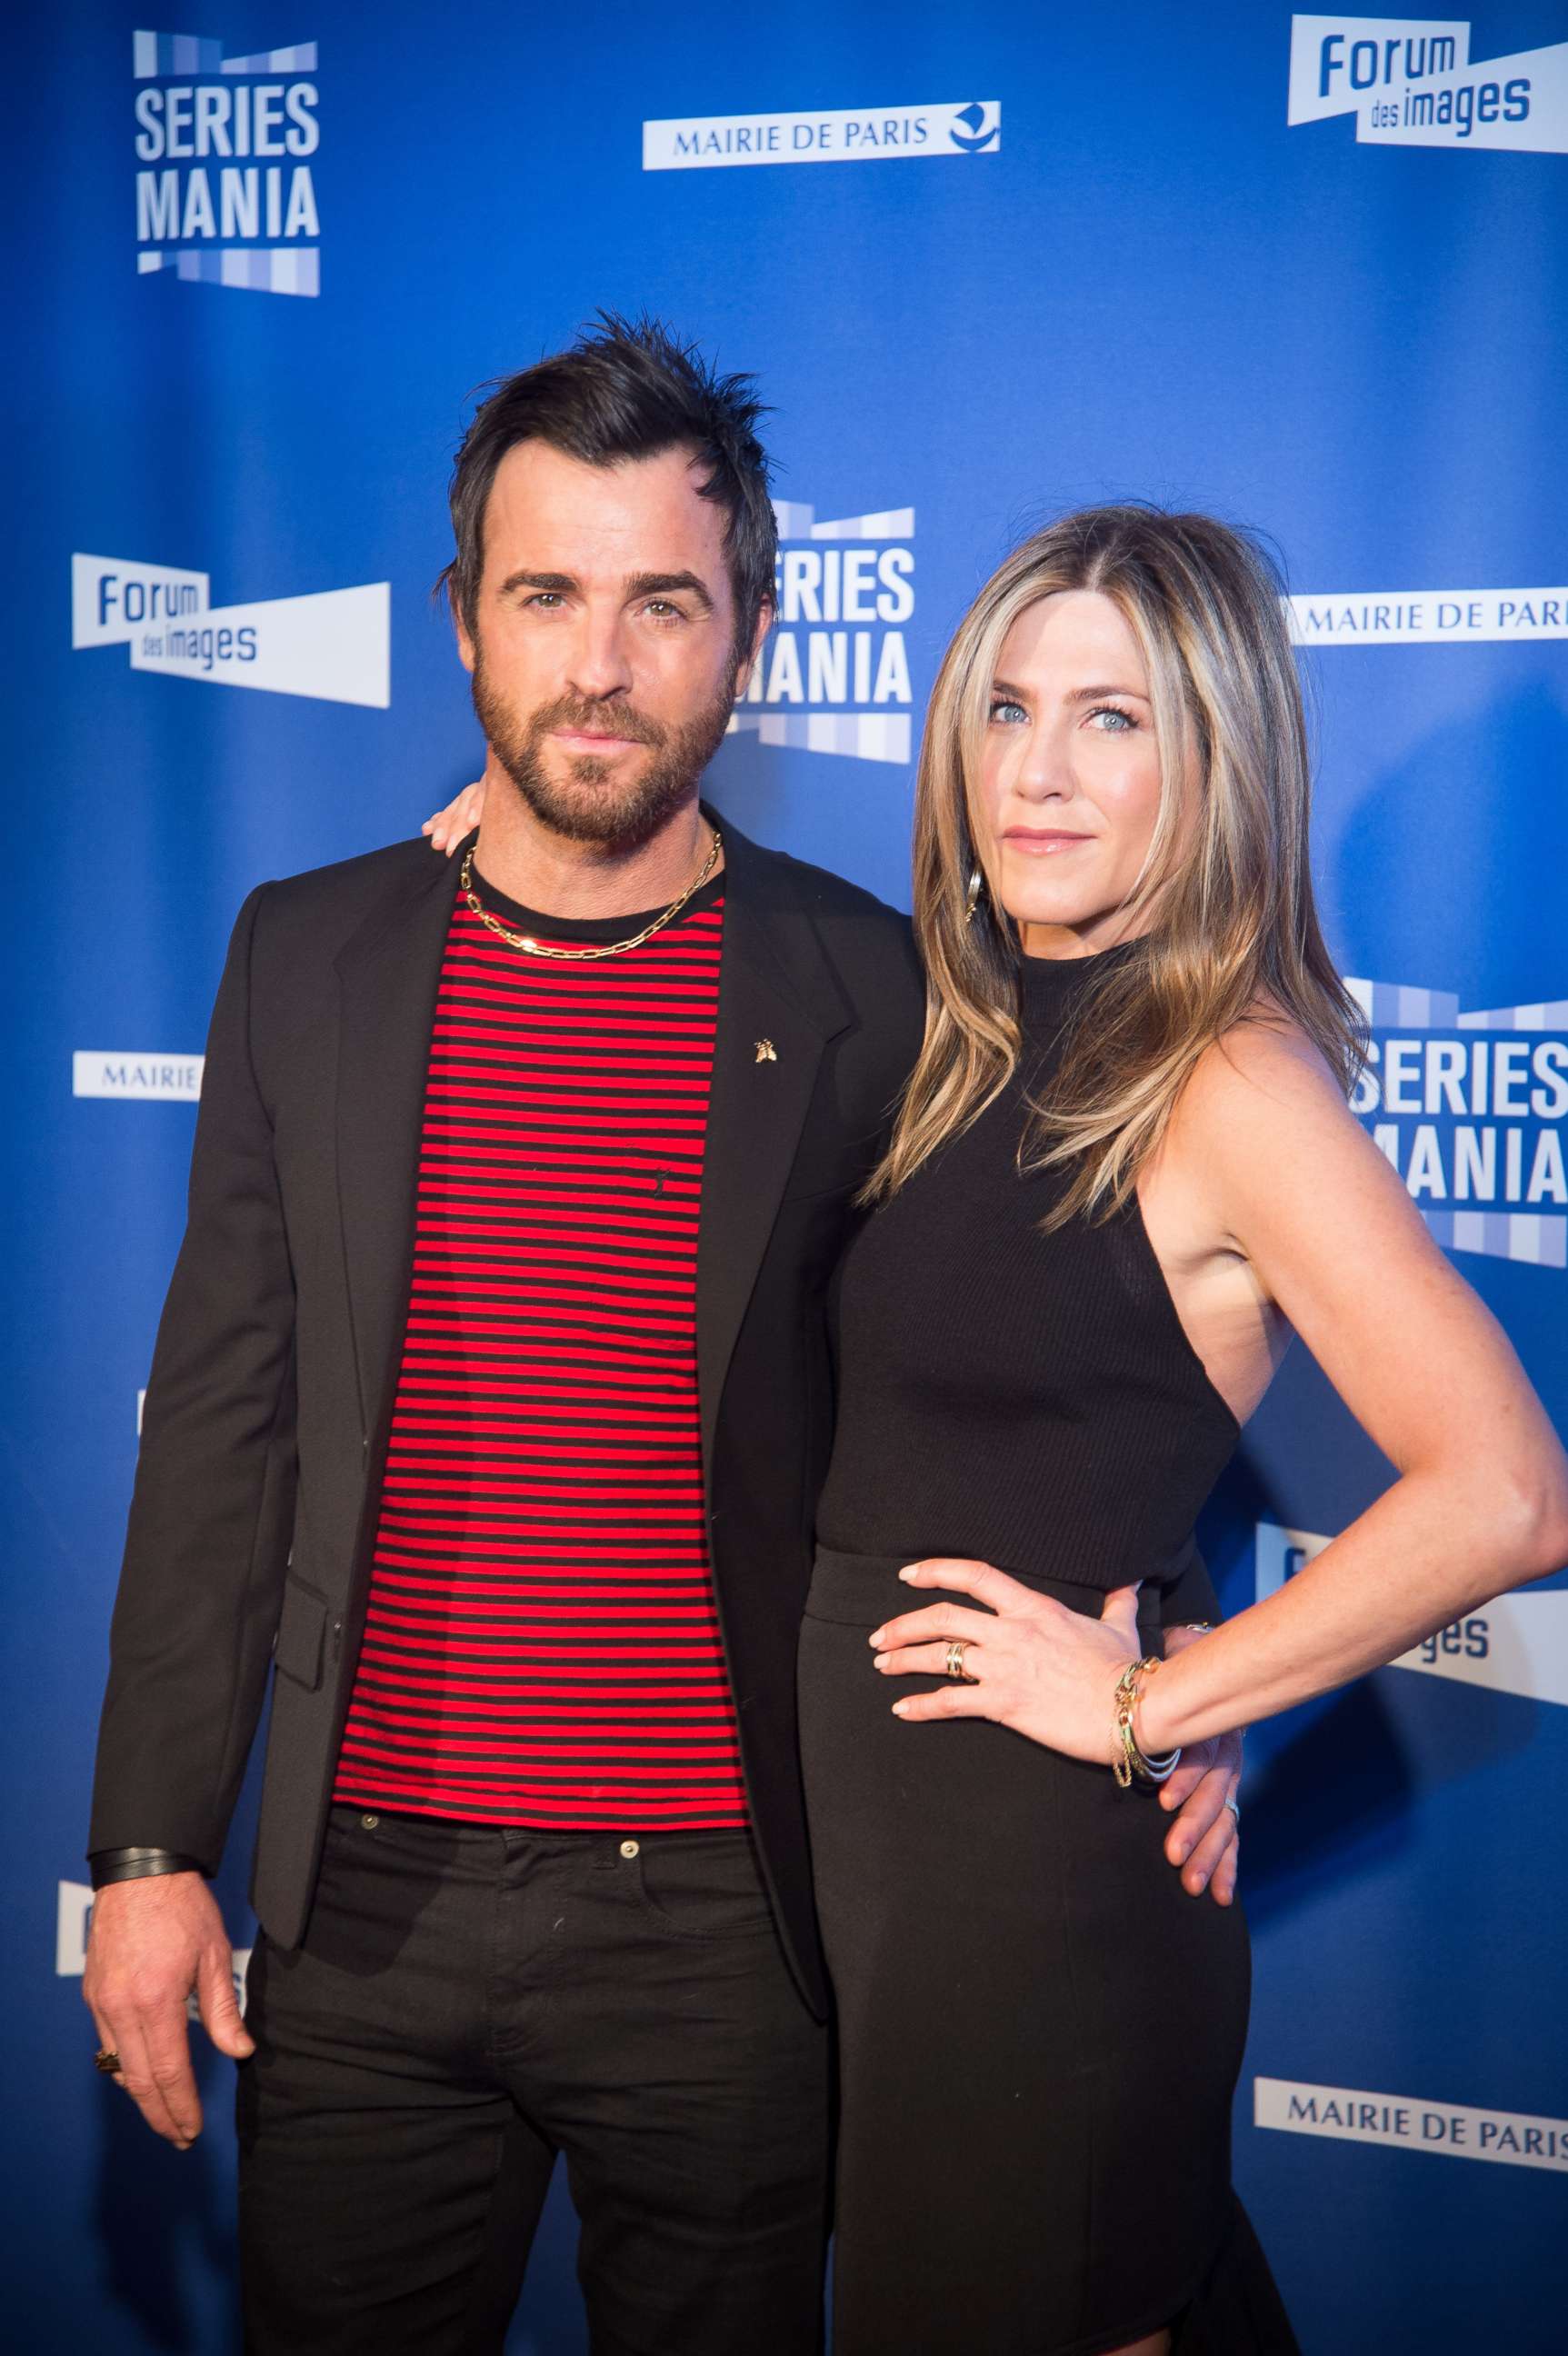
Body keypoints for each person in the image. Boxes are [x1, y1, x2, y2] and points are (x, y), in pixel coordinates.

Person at [82, 321, 1240, 2356]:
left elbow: (1048, 1345)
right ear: (460, 623)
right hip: (356, 1923)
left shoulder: (886, 993)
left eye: (659, 603)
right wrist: (152, 1850)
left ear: (751, 639)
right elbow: (221, 1437)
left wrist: (1174, 1643)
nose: (596, 663)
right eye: (544, 595)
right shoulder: (306, 957)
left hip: (728, 1927)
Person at [791, 506, 1568, 2355]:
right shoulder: (951, 1026)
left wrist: (1156, 1706)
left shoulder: (1221, 1075)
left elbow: (1507, 1489)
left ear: (1211, 759)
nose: (1034, 772)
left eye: (1111, 719)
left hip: (1023, 1905)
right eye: (1001, 708)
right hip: (868, 1881)